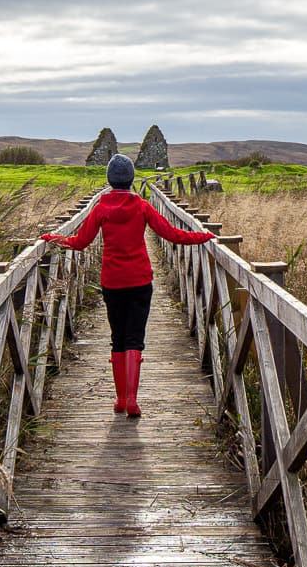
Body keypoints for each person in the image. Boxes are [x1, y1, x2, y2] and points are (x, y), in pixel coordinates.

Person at [40, 152, 214, 417]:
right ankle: (132, 399)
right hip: (140, 280)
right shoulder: (142, 206)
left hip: (112, 282)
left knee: (117, 338)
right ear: (131, 179)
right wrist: (203, 236)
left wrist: (53, 238)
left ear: (109, 179)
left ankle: (121, 399)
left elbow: (80, 242)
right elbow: (172, 234)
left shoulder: (100, 208)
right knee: (135, 337)